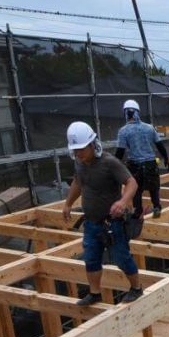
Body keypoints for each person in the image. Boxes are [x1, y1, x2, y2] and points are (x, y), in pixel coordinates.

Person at [61, 121, 144, 307]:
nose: (78, 153)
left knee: (122, 256)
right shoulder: (80, 163)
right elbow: (77, 183)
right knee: (91, 258)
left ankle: (136, 288)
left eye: (81, 149)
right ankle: (95, 293)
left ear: (92, 144)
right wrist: (67, 204)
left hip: (112, 224)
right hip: (91, 223)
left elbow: (132, 183)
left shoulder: (109, 163)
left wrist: (122, 202)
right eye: (75, 150)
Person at [114, 99, 169, 218]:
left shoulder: (123, 131)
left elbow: (120, 152)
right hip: (151, 164)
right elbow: (160, 145)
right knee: (154, 188)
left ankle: (137, 211)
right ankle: (156, 207)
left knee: (136, 191)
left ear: (125, 113)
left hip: (134, 166)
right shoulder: (149, 128)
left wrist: (113, 167)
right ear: (138, 112)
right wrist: (166, 158)